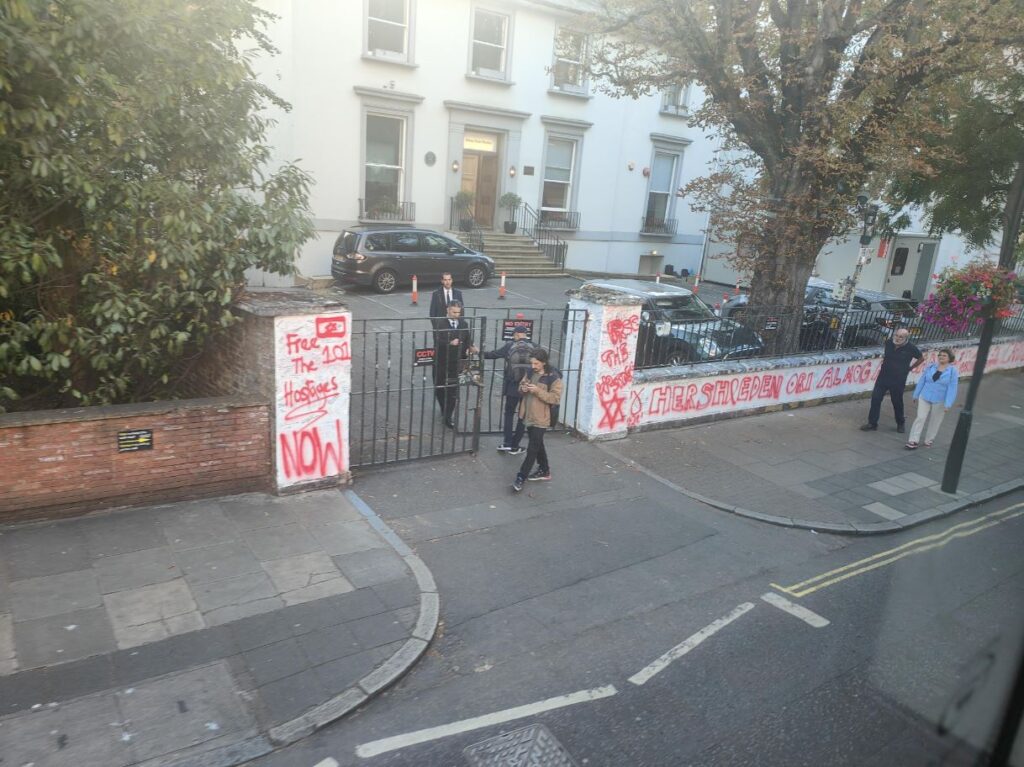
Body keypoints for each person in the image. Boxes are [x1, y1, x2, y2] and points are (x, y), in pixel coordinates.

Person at [511, 348, 563, 492]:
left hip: (542, 418)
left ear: (544, 362)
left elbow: (555, 398)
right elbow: (520, 389)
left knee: (532, 448)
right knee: (538, 443)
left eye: (536, 364)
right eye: (532, 363)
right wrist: (524, 388)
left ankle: (521, 477)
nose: (533, 366)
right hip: (528, 414)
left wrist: (537, 391)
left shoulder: (553, 378)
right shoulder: (529, 373)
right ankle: (544, 470)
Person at [860, 327, 924, 433]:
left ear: (906, 338)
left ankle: (900, 423)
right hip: (883, 376)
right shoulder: (889, 343)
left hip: (898, 379)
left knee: (897, 401)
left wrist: (910, 368)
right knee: (876, 399)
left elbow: (921, 358)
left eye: (901, 337)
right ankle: (872, 423)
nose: (898, 338)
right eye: (896, 335)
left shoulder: (911, 348)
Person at [483, 324, 535, 455]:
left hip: (512, 385)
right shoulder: (535, 346)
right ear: (525, 334)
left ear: (516, 335)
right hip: (527, 386)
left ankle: (507, 442)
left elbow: (493, 355)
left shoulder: (509, 346)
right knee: (523, 415)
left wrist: (478, 352)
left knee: (509, 413)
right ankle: (515, 445)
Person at [433, 301, 477, 428]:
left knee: (453, 390)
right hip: (442, 361)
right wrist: (449, 342)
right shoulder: (440, 323)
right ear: (448, 310)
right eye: (454, 312)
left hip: (457, 362)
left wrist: (471, 347)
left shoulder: (463, 323)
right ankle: (443, 409)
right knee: (440, 388)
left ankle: (448, 417)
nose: (456, 315)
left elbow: (468, 338)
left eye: (458, 312)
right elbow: (437, 340)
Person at [906, 348, 959, 449]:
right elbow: (922, 380)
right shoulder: (931, 367)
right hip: (925, 396)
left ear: (949, 358)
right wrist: (916, 394)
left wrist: (948, 404)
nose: (941, 357)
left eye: (944, 356)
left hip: (940, 399)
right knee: (920, 418)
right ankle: (913, 440)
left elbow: (952, 388)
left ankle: (929, 440)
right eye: (940, 355)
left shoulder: (952, 371)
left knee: (935, 420)